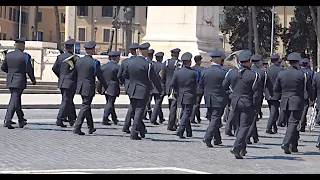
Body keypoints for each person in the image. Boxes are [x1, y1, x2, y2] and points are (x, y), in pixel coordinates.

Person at [273, 52, 314, 154]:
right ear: (298, 62)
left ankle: (293, 145)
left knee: (291, 124)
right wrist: (312, 99)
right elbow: (310, 88)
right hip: (296, 101)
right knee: (293, 123)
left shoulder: (281, 73)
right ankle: (286, 143)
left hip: (285, 101)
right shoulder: (303, 75)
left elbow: (276, 88)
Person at [222, 50, 260, 159]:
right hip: (247, 102)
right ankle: (237, 147)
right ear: (249, 62)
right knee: (244, 126)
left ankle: (242, 149)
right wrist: (256, 108)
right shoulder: (254, 75)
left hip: (234, 101)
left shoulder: (231, 72)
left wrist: (231, 95)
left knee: (239, 126)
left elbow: (224, 86)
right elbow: (256, 94)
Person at [123, 42, 163, 140]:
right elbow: (154, 78)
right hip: (143, 89)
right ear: (145, 51)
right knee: (139, 111)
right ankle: (134, 132)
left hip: (132, 89)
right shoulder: (147, 64)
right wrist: (160, 89)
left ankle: (141, 130)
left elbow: (125, 74)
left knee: (134, 109)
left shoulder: (130, 62)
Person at [73, 41, 107, 135]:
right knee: (85, 106)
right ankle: (77, 127)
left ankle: (90, 127)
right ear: (92, 50)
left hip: (80, 86)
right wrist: (105, 86)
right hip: (89, 87)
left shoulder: (78, 61)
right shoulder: (94, 62)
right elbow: (99, 76)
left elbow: (75, 73)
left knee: (86, 106)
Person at [1, 37, 36, 129]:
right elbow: (29, 69)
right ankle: (8, 120)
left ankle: (21, 119)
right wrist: (33, 79)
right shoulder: (25, 56)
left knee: (16, 99)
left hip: (10, 79)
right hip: (19, 80)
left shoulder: (8, 55)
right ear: (22, 46)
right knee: (15, 99)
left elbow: (3, 67)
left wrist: (11, 72)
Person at [200, 51, 227, 147]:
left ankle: (217, 139)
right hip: (219, 98)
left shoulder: (205, 71)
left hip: (208, 98)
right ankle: (208, 137)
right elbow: (226, 86)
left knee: (213, 118)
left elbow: (201, 85)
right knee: (215, 118)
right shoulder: (223, 72)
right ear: (220, 60)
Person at [170, 52, 198, 138]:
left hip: (181, 95)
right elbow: (197, 84)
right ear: (190, 62)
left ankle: (189, 132)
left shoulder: (177, 72)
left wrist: (178, 91)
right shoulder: (194, 73)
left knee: (185, 112)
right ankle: (181, 130)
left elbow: (173, 84)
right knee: (186, 113)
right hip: (190, 95)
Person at [52, 39, 78, 128]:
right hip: (70, 82)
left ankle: (72, 119)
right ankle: (60, 119)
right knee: (66, 100)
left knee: (68, 100)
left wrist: (61, 76)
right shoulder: (74, 58)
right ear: (72, 48)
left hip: (62, 81)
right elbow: (76, 71)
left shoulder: (60, 57)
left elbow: (54, 68)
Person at [118, 43, 139, 133]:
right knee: (135, 107)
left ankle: (130, 125)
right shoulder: (139, 61)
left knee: (133, 106)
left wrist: (124, 83)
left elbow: (120, 75)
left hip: (128, 86)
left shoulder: (124, 62)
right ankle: (128, 125)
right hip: (138, 87)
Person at [97, 51, 121, 126]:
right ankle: (105, 118)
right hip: (113, 87)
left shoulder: (103, 66)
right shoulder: (117, 67)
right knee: (110, 102)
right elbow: (120, 77)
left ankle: (114, 118)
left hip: (105, 86)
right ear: (116, 58)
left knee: (110, 102)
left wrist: (99, 88)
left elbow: (99, 78)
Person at [246, 54, 265, 144]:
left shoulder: (247, 71)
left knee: (252, 117)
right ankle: (248, 136)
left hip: (246, 97)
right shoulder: (259, 73)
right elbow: (259, 90)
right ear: (258, 62)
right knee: (253, 118)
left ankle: (255, 136)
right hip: (256, 98)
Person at [161, 48, 181, 131]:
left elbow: (163, 75)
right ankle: (171, 124)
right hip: (176, 87)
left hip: (168, 86)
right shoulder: (179, 63)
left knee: (171, 105)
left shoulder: (166, 62)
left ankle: (172, 121)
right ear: (178, 55)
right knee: (174, 106)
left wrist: (164, 85)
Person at [264, 54, 283, 134]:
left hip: (268, 93)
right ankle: (269, 128)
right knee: (273, 112)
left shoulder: (266, 70)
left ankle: (274, 128)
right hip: (277, 93)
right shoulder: (281, 70)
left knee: (272, 111)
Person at [149, 52, 166, 125]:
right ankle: (153, 118)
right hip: (160, 87)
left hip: (152, 86)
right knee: (158, 103)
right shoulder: (163, 66)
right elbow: (163, 77)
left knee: (156, 103)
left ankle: (161, 118)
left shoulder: (152, 65)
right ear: (162, 58)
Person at [299, 58, 314, 132]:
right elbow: (311, 85)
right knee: (304, 110)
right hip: (306, 93)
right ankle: (302, 125)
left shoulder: (298, 72)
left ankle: (302, 123)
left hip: (298, 93)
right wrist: (312, 97)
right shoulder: (310, 73)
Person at [190, 55, 205, 124]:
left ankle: (198, 118)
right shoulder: (203, 69)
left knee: (195, 103)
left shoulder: (191, 69)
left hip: (192, 88)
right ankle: (192, 118)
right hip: (199, 88)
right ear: (199, 61)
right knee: (196, 103)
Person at [143, 49, 155, 120]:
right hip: (149, 85)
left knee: (147, 101)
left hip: (145, 85)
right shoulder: (151, 64)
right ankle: (150, 115)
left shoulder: (145, 62)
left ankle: (145, 114)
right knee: (148, 101)